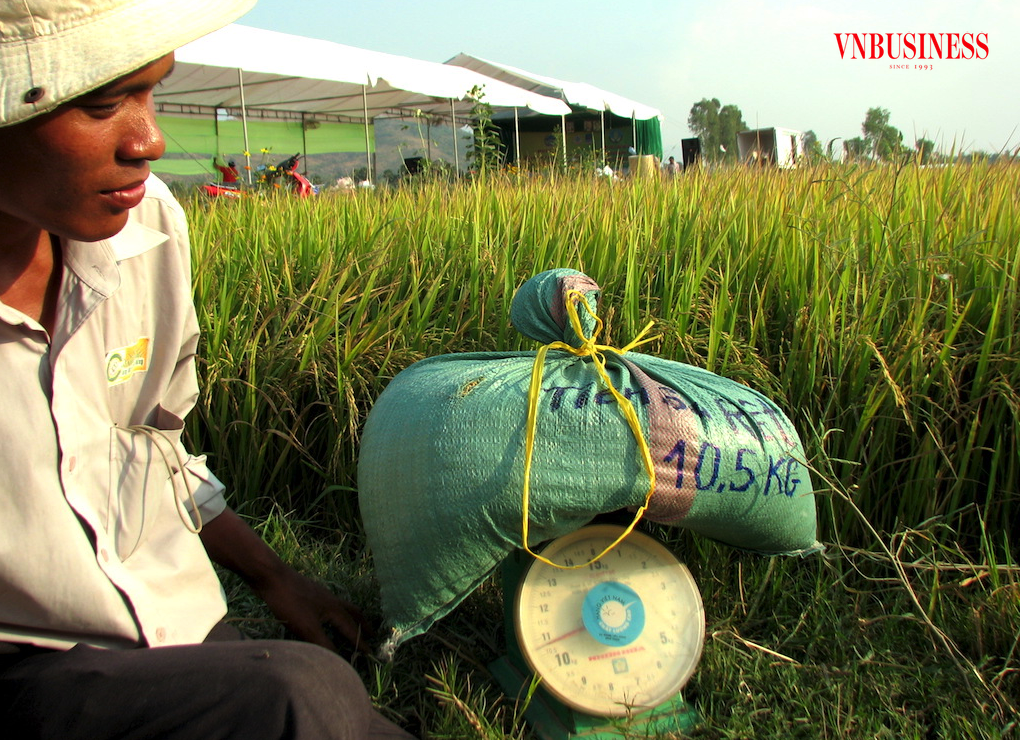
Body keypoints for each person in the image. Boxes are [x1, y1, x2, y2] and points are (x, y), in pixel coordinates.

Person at [0, 1, 415, 738]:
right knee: (301, 697)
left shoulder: (148, 228)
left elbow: (152, 444)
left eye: (152, 91)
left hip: (179, 631)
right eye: (102, 104)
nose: (150, 140)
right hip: (32, 666)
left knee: (340, 716)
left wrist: (274, 576)